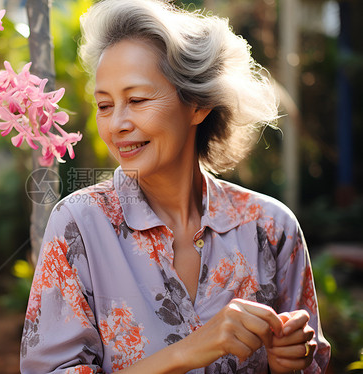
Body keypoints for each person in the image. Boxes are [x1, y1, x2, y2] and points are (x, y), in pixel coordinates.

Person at [20, 0, 331, 372]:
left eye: (136, 100)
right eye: (104, 105)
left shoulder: (272, 227)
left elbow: (312, 361)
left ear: (197, 105)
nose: (116, 124)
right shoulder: (78, 225)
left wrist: (289, 363)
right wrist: (191, 350)